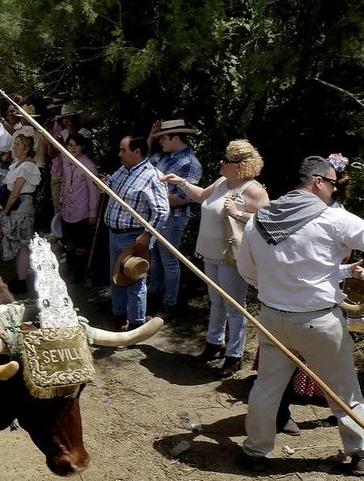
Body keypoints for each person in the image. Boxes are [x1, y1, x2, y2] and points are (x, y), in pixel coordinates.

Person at [237, 155, 364, 475]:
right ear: (318, 182)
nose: (334, 191)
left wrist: (275, 290)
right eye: (332, 184)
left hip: (273, 317)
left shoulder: (259, 220)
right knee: (343, 389)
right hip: (319, 321)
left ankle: (255, 450)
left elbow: (248, 270)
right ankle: (361, 453)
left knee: (267, 386)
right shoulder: (331, 219)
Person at [163, 140, 268, 377]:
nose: (221, 163)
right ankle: (214, 342)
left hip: (232, 256)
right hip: (210, 252)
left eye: (226, 161)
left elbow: (266, 223)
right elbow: (201, 196)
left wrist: (238, 213)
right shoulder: (222, 182)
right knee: (216, 300)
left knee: (234, 305)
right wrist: (181, 182)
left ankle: (234, 355)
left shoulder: (254, 190)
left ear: (240, 166)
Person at [104, 135, 169, 331]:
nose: (120, 154)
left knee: (133, 279)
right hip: (114, 233)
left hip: (134, 236)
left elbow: (162, 211)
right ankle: (119, 315)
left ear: (137, 152)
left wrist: (147, 235)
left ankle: (135, 323)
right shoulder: (123, 171)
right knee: (116, 277)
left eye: (123, 150)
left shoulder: (152, 176)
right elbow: (110, 185)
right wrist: (105, 184)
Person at [147, 119, 203, 315]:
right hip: (158, 217)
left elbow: (182, 198)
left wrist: (151, 199)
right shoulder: (163, 156)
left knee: (169, 259)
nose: (160, 141)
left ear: (175, 138)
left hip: (174, 217)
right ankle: (155, 294)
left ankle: (169, 303)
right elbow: (145, 163)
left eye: (163, 137)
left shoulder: (190, 163)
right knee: (155, 257)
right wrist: (151, 136)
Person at [0, 132, 41, 292]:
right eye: (14, 144)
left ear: (26, 148)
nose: (14, 147)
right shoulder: (17, 165)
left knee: (22, 244)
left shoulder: (27, 167)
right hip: (17, 206)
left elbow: (15, 193)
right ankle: (19, 276)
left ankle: (22, 280)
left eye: (18, 145)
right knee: (18, 243)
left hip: (21, 207)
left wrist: (6, 211)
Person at [58, 129, 100, 282]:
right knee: (69, 242)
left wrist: (92, 213)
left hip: (82, 211)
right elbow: (64, 182)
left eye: (76, 146)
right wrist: (61, 200)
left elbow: (94, 192)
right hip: (67, 209)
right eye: (70, 145)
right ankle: (69, 268)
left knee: (81, 245)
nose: (73, 148)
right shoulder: (66, 160)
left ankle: (79, 273)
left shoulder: (89, 166)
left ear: (82, 147)